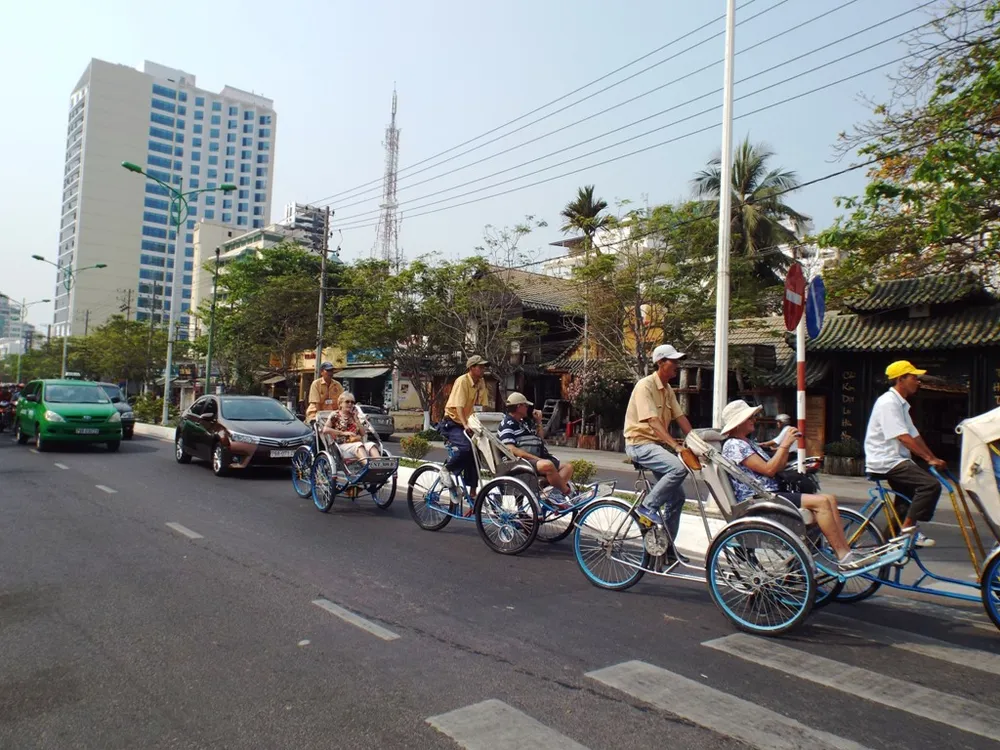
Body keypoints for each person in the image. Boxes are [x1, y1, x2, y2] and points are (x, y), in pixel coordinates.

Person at [720, 399, 869, 571]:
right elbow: (769, 470)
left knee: (829, 499)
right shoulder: (734, 445)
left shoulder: (747, 443)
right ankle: (842, 556)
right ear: (738, 424)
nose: (754, 420)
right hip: (760, 498)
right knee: (821, 503)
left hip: (771, 492)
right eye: (749, 418)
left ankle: (843, 552)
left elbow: (777, 467)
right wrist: (785, 444)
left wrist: (786, 448)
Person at [863, 360, 946, 547]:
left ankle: (887, 546)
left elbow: (915, 436)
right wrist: (928, 459)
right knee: (929, 486)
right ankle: (908, 532)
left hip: (896, 459)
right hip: (886, 460)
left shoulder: (901, 404)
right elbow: (903, 437)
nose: (918, 382)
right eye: (914, 378)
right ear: (901, 379)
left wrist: (933, 458)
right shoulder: (888, 403)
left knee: (904, 505)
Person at [624, 344, 695, 554]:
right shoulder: (644, 386)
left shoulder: (667, 389)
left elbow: (680, 417)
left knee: (677, 497)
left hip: (654, 446)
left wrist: (696, 441)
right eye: (674, 361)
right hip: (639, 444)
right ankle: (647, 507)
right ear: (661, 363)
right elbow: (653, 422)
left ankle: (667, 547)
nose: (677, 365)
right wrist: (676, 446)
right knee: (678, 468)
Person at [498, 392, 574, 505]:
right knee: (547, 465)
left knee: (568, 467)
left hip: (534, 459)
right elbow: (511, 449)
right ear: (519, 406)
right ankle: (567, 493)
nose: (528, 408)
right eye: (526, 406)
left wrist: (538, 421)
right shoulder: (507, 424)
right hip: (519, 462)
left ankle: (554, 494)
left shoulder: (525, 423)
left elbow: (540, 439)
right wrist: (537, 459)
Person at [439, 355, 491, 499]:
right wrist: (465, 424)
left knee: (477, 452)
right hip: (452, 422)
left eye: (483, 367)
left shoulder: (481, 382)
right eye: (480, 367)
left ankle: (473, 493)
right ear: (471, 368)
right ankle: (446, 469)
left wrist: (485, 424)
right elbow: (459, 406)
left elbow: (483, 406)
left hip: (468, 423)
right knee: (466, 448)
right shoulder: (462, 381)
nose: (483, 369)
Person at [321, 392, 381, 467]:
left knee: (372, 445)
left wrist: (356, 418)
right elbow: (325, 429)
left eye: (352, 402)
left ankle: (379, 466)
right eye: (347, 401)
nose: (350, 404)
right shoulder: (335, 415)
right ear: (340, 404)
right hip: (342, 446)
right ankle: (368, 467)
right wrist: (343, 433)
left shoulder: (354, 416)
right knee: (358, 446)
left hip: (357, 443)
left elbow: (363, 433)